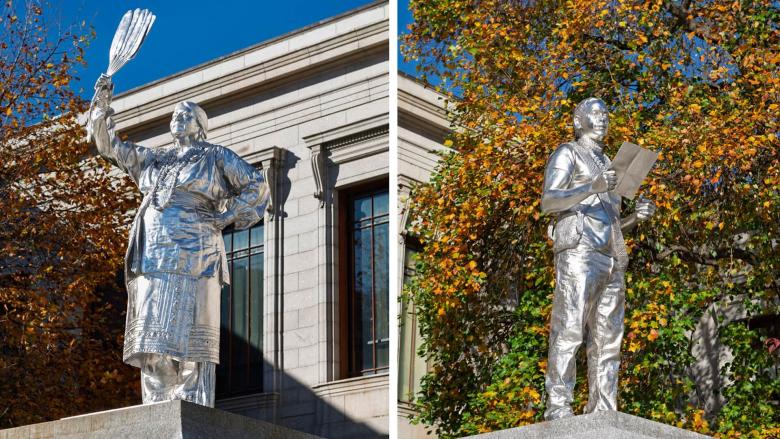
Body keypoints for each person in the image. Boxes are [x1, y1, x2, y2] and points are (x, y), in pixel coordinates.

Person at [88, 75, 269, 407]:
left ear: (200, 126)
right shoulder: (155, 160)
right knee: (152, 339)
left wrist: (228, 216)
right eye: (174, 115)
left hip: (195, 252)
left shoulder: (215, 156)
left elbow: (257, 185)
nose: (177, 119)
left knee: (188, 336)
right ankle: (156, 403)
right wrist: (101, 107)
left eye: (186, 115)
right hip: (153, 253)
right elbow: (109, 146)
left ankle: (190, 404)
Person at [540, 97, 656, 420]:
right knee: (570, 329)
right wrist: (592, 186)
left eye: (606, 113)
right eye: (594, 113)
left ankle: (604, 408)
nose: (602, 118)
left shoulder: (612, 166)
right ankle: (559, 405)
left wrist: (637, 218)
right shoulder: (568, 153)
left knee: (608, 341)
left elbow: (614, 222)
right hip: (579, 251)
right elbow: (548, 201)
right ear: (579, 121)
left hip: (611, 257)